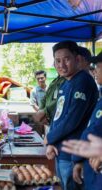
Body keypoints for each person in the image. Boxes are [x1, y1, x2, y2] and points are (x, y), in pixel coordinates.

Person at [45, 41, 98, 190]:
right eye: (57, 60)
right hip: (60, 151)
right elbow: (59, 116)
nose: (61, 64)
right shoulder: (66, 82)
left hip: (73, 153)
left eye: (66, 59)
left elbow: (71, 120)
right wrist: (51, 142)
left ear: (77, 59)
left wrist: (49, 137)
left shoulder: (83, 81)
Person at [62, 52, 102, 190]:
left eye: (97, 66)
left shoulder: (83, 82)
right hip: (91, 169)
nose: (94, 70)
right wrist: (78, 160)